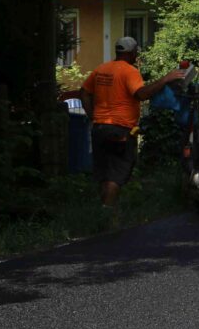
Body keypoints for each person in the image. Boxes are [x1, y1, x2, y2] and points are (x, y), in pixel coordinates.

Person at [80, 37, 187, 210]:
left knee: (105, 173)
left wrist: (92, 116)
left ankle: (103, 211)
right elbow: (142, 94)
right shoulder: (129, 71)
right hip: (120, 130)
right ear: (132, 53)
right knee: (117, 174)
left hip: (99, 128)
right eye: (136, 52)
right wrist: (165, 79)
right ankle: (107, 212)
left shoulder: (101, 69)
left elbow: (84, 93)